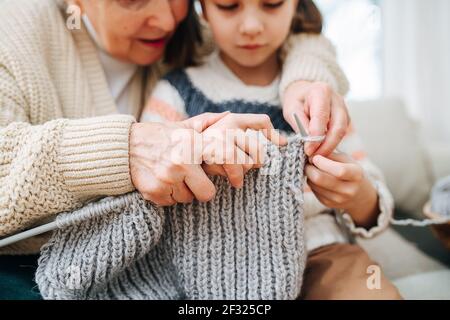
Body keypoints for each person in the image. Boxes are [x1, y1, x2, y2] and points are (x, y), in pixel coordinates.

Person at [0, 0, 350, 255]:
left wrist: (305, 77)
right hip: (26, 263)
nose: (167, 20)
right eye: (133, 0)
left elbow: (288, 36)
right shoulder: (13, 32)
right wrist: (126, 150)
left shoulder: (189, 38)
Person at [141, 0, 402, 299]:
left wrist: (359, 196)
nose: (251, 26)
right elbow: (151, 186)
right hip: (213, 260)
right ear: (203, 9)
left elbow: (373, 205)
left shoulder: (318, 93)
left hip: (320, 250)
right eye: (228, 6)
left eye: (272, 4)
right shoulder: (177, 91)